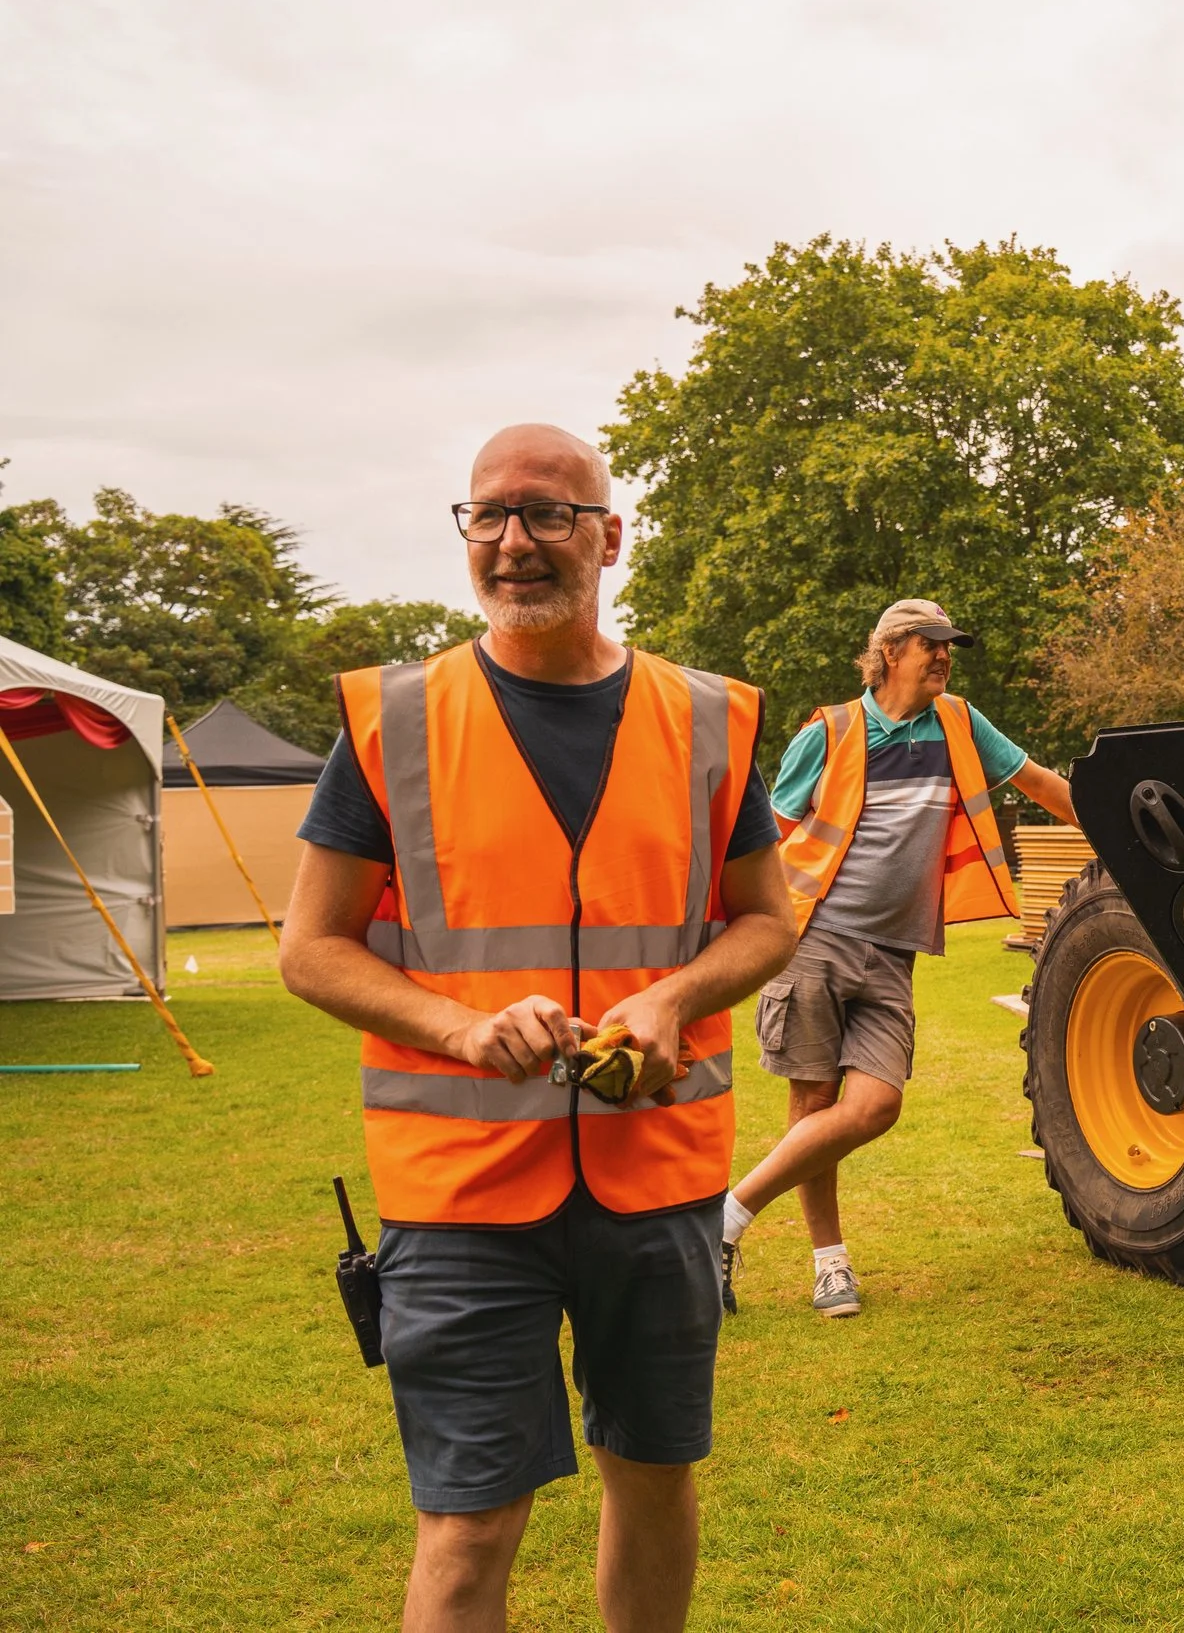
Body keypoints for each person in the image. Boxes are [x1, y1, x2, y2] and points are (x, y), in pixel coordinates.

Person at [279, 424, 795, 1633]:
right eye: (488, 516)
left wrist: (671, 997)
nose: (514, 541)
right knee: (466, 1527)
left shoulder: (709, 719)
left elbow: (768, 920)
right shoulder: (391, 720)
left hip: (655, 1174)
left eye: (547, 513)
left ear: (609, 537)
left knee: (654, 1479)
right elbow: (309, 946)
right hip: (458, 1194)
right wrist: (457, 1030)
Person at [718, 598, 1078, 1319]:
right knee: (813, 1104)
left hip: (893, 951)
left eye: (949, 645)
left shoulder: (959, 723)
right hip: (811, 938)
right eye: (929, 644)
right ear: (887, 652)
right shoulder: (831, 731)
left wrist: (1128, 838)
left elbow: (1040, 784)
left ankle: (721, 1218)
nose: (944, 655)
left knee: (876, 1103)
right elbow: (761, 836)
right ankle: (830, 1265)